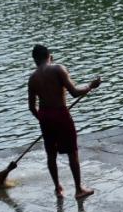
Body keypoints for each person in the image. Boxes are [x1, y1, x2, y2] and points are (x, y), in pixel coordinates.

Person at [29, 44, 101, 200]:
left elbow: (31, 107)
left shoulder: (33, 78)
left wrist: (42, 119)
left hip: (45, 116)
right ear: (50, 56)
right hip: (61, 114)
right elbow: (75, 92)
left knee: (51, 154)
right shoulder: (58, 69)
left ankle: (58, 188)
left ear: (35, 60)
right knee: (72, 152)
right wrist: (90, 86)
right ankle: (78, 189)